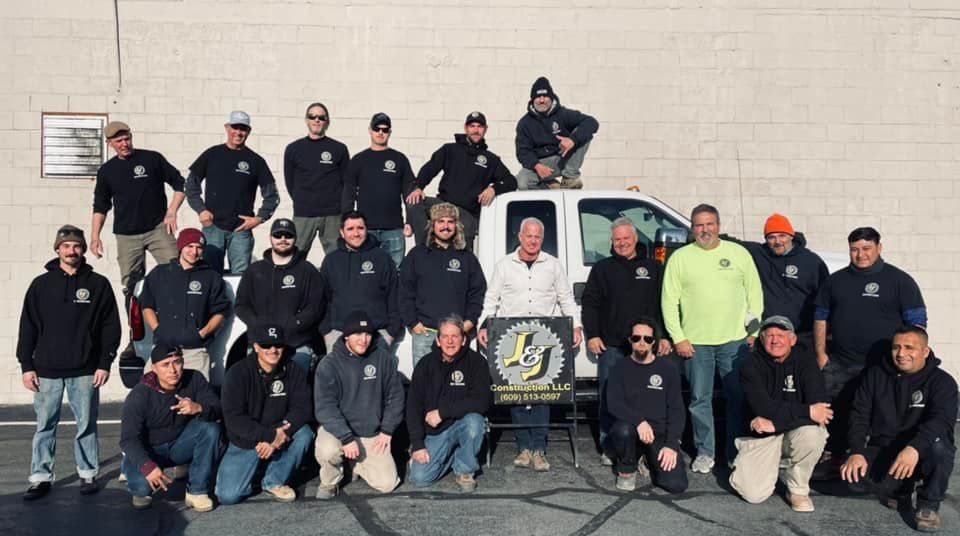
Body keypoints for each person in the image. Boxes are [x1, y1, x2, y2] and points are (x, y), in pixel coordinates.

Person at [17, 225, 121, 500]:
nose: (71, 250)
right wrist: (27, 365)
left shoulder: (98, 285)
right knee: (45, 425)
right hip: (46, 370)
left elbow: (110, 327)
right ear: (57, 249)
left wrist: (104, 363)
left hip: (86, 370)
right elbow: (27, 326)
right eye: (66, 246)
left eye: (76, 246)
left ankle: (88, 474)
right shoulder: (41, 285)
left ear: (83, 249)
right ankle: (40, 477)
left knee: (86, 424)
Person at [661, 203, 763, 473]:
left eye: (709, 224)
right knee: (699, 400)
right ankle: (705, 452)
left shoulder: (738, 254)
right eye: (699, 225)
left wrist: (753, 332)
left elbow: (755, 295)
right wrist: (679, 338)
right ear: (692, 229)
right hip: (696, 344)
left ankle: (734, 453)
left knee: (737, 398)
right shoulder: (680, 258)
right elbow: (668, 302)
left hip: (734, 341)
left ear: (718, 226)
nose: (704, 229)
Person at [814, 226, 926, 467]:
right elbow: (821, 316)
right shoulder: (836, 281)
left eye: (866, 248)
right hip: (841, 362)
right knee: (838, 410)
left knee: (879, 412)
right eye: (854, 249)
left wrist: (911, 359)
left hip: (883, 366)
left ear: (879, 248)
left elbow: (917, 324)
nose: (860, 254)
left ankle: (874, 456)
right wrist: (821, 354)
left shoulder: (900, 281)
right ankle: (834, 453)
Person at [478, 217, 583, 472]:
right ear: (520, 236)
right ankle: (523, 448)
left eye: (537, 236)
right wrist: (484, 324)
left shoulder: (553, 265)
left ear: (542, 239)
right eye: (529, 235)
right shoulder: (504, 265)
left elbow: (565, 298)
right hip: (512, 339)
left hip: (543, 339)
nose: (533, 240)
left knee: (540, 395)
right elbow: (491, 298)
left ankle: (539, 449)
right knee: (516, 393)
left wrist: (576, 326)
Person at [841, 326, 956, 532]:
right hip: (887, 447)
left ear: (925, 352)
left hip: (923, 449)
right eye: (896, 347)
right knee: (853, 478)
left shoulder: (943, 382)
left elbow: (941, 421)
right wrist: (857, 451)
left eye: (909, 348)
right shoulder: (875, 376)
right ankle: (900, 489)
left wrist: (914, 448)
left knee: (940, 449)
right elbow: (859, 415)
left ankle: (928, 503)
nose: (901, 354)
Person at [581, 217, 669, 465]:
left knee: (649, 395)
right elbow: (590, 303)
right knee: (610, 395)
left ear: (636, 239)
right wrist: (593, 335)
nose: (621, 243)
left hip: (646, 347)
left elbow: (664, 306)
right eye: (617, 239)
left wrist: (664, 337)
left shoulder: (653, 268)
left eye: (626, 238)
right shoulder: (602, 269)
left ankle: (647, 445)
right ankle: (609, 445)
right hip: (612, 346)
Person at [729, 316, 832, 512]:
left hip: (785, 430)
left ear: (792, 339)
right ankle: (770, 462)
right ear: (762, 339)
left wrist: (777, 423)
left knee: (813, 434)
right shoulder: (750, 365)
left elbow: (821, 409)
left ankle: (797, 490)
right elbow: (763, 408)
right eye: (769, 336)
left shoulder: (807, 363)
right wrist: (807, 411)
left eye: (781, 335)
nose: (775, 340)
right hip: (763, 436)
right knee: (753, 494)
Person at [91, 121, 183, 318]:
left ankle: (176, 323)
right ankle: (136, 337)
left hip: (158, 228)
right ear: (110, 144)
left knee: (177, 272)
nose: (124, 144)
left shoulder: (152, 159)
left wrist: (172, 211)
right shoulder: (107, 171)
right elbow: (100, 206)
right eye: (119, 141)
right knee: (132, 286)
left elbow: (180, 184)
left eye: (127, 138)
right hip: (126, 235)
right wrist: (95, 235)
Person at [216, 324, 315, 504]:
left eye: (277, 345)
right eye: (266, 345)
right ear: (255, 346)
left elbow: (303, 408)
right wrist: (269, 437)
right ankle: (256, 471)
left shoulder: (292, 370)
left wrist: (280, 434)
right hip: (248, 439)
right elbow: (233, 418)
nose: (273, 350)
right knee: (228, 496)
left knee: (305, 433)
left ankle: (274, 480)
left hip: (280, 432)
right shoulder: (238, 373)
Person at [119, 344, 222, 511]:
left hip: (179, 444)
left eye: (177, 362)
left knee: (210, 429)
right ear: (154, 369)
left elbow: (218, 409)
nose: (173, 370)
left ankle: (197, 490)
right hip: (150, 450)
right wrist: (147, 467)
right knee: (141, 495)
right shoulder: (139, 395)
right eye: (165, 365)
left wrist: (199, 408)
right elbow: (128, 439)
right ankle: (130, 465)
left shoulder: (194, 378)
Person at [314, 311, 405, 498]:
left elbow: (395, 397)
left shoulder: (383, 359)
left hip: (371, 432)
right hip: (339, 432)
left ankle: (354, 463)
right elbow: (325, 407)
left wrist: (387, 430)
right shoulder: (329, 364)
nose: (363, 339)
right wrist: (346, 438)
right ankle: (331, 479)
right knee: (328, 449)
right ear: (346, 336)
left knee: (387, 483)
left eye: (368, 334)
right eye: (357, 334)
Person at [185, 110, 280, 274]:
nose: (238, 132)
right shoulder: (212, 154)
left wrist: (258, 218)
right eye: (235, 127)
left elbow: (272, 195)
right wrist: (201, 210)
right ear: (227, 127)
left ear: (248, 132)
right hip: (213, 228)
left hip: (241, 231)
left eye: (243, 129)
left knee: (241, 277)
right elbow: (191, 185)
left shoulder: (256, 161)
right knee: (209, 274)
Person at [406, 111, 517, 249]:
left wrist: (494, 188)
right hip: (444, 205)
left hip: (467, 213)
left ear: (485, 129)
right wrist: (419, 187)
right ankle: (423, 250)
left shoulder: (491, 159)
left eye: (480, 127)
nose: (476, 130)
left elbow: (511, 181)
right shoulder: (450, 150)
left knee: (461, 255)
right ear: (466, 128)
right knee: (413, 201)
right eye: (472, 126)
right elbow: (430, 168)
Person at [406, 316, 492, 492]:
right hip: (436, 431)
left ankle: (464, 470)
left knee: (475, 421)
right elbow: (413, 407)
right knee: (419, 478)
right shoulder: (425, 365)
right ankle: (454, 455)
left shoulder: (477, 362)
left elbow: (482, 401)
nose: (450, 341)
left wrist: (443, 412)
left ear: (464, 339)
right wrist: (418, 445)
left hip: (463, 424)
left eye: (455, 336)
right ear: (438, 340)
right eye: (445, 336)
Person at [399, 203, 486, 368]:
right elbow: (404, 291)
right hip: (425, 334)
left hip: (457, 336)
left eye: (450, 221)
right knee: (426, 388)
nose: (445, 226)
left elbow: (477, 292)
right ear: (432, 225)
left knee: (458, 385)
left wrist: (469, 322)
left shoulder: (467, 258)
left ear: (457, 225)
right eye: (440, 221)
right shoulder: (417, 255)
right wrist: (413, 323)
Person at [606, 318, 688, 494]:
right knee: (622, 430)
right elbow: (613, 403)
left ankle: (648, 459)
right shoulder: (619, 367)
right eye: (636, 338)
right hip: (633, 429)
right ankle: (626, 468)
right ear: (630, 340)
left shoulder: (668, 368)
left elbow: (677, 410)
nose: (642, 343)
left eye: (648, 339)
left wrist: (671, 444)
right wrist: (640, 421)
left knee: (676, 485)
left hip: (659, 433)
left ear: (654, 342)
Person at [235, 218, 325, 372]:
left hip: (296, 344)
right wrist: (257, 324)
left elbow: (316, 307)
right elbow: (241, 305)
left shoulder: (307, 270)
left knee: (297, 391)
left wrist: (295, 323)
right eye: (278, 235)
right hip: (261, 345)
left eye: (288, 235)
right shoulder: (254, 271)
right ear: (270, 238)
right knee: (259, 392)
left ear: (295, 239)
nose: (283, 239)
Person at [139, 228, 231, 378]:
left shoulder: (212, 277)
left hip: (195, 352)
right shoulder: (159, 273)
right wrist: (158, 330)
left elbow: (220, 312)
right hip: (163, 351)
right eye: (190, 246)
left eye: (199, 247)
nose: (194, 252)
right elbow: (147, 305)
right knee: (154, 397)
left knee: (195, 400)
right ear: (181, 247)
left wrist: (201, 334)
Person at [740, 213, 829, 359]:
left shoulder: (811, 261)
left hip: (801, 335)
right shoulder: (759, 253)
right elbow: (731, 243)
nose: (777, 241)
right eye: (771, 237)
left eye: (782, 236)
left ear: (791, 236)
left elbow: (825, 299)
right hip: (769, 335)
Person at [319, 211, 402, 354]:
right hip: (339, 334)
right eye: (350, 229)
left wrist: (391, 333)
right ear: (342, 232)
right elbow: (322, 300)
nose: (356, 233)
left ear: (366, 230)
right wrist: (327, 332)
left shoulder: (382, 258)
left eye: (360, 228)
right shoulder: (331, 261)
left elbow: (394, 295)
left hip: (377, 334)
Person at [341, 113, 416, 267]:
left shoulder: (399, 159)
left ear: (390, 132)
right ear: (370, 130)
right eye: (377, 129)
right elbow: (348, 193)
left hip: (394, 229)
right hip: (365, 230)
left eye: (385, 129)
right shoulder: (358, 160)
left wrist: (410, 221)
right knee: (365, 273)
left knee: (394, 273)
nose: (381, 132)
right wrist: (346, 222)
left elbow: (409, 193)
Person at [284, 102, 350, 255]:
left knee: (337, 258)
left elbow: (346, 182)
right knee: (295, 257)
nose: (317, 120)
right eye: (312, 116)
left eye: (321, 117)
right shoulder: (293, 149)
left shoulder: (339, 149)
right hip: (304, 213)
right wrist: (302, 200)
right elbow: (290, 182)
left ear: (327, 121)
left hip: (332, 214)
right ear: (307, 120)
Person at [515, 76, 599, 190]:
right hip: (541, 165)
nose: (541, 100)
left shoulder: (563, 114)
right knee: (522, 182)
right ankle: (549, 186)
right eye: (538, 97)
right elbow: (522, 152)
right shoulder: (524, 123)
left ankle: (569, 178)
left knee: (585, 133)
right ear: (532, 99)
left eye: (545, 96)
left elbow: (592, 122)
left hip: (564, 158)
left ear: (551, 97)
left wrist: (572, 140)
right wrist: (537, 165)